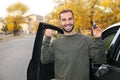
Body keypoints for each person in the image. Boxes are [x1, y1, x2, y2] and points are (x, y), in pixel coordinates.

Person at [41, 9, 106, 80]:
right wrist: (47, 39)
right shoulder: (55, 42)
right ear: (60, 22)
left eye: (70, 19)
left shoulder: (86, 40)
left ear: (74, 20)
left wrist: (98, 38)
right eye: (64, 20)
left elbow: (100, 60)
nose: (67, 22)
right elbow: (45, 60)